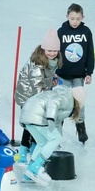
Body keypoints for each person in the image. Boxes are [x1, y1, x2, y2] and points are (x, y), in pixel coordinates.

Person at [20, 86, 86, 185]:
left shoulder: (62, 94)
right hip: (37, 115)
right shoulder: (67, 98)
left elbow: (58, 122)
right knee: (55, 139)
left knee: (43, 142)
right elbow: (54, 102)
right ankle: (37, 167)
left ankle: (29, 172)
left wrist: (56, 134)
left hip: (28, 114)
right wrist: (50, 118)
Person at [14, 29, 61, 157]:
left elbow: (46, 79)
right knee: (31, 124)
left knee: (37, 123)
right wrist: (46, 102)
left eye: (55, 51)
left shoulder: (54, 61)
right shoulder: (37, 63)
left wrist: (52, 83)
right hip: (27, 96)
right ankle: (23, 151)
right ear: (44, 49)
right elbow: (36, 85)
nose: (52, 53)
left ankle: (35, 148)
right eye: (49, 50)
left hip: (38, 96)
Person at [56, 3, 94, 143]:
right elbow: (56, 52)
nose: (75, 22)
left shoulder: (86, 32)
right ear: (67, 17)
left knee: (80, 101)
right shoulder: (61, 31)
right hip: (62, 74)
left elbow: (90, 52)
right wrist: (54, 71)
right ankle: (58, 126)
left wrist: (89, 72)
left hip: (79, 75)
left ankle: (81, 127)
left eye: (78, 19)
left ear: (82, 17)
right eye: (72, 18)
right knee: (61, 101)